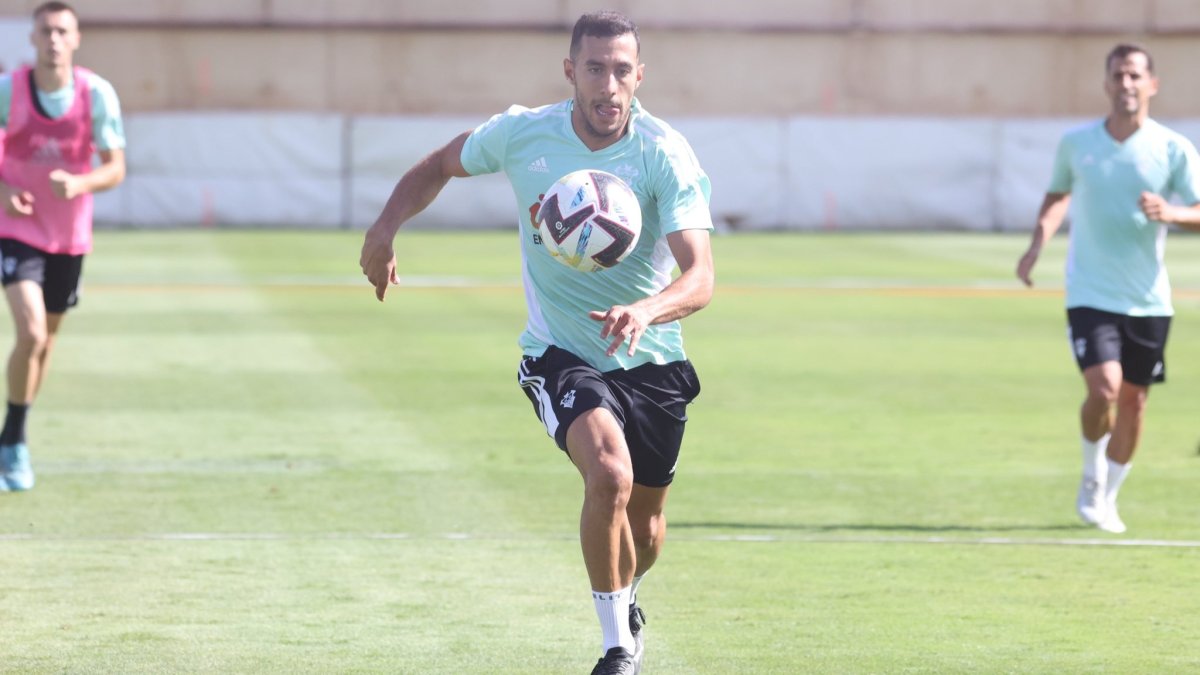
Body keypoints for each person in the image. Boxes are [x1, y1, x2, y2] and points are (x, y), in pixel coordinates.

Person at [360, 11, 713, 673]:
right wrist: (385, 228)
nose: (608, 84)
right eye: (594, 68)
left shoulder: (664, 153)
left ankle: (629, 590)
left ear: (640, 76)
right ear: (570, 71)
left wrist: (645, 309)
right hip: (560, 352)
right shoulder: (524, 133)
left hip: (652, 359)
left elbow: (701, 277)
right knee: (608, 473)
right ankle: (617, 646)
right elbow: (439, 164)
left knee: (644, 530)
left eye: (621, 70)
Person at [1016, 43, 1200, 534]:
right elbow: (1057, 195)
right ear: (1106, 84)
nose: (1126, 84)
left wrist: (1172, 212)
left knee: (1135, 403)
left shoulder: (1173, 148)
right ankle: (1090, 473)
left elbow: (1198, 209)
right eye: (1118, 75)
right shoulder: (1077, 144)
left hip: (1149, 299)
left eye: (1135, 75)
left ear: (1152, 84)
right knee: (1105, 389)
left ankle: (1109, 497)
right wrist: (1036, 245)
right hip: (1090, 292)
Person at [0, 1, 126, 492]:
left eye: (62, 31)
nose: (53, 39)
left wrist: (80, 183)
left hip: (69, 237)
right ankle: (13, 442)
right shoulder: (10, 90)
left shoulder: (96, 94)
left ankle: (16, 433)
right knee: (30, 332)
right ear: (32, 38)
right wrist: (4, 192)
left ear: (75, 39)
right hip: (17, 231)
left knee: (46, 342)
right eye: (46, 31)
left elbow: (115, 168)